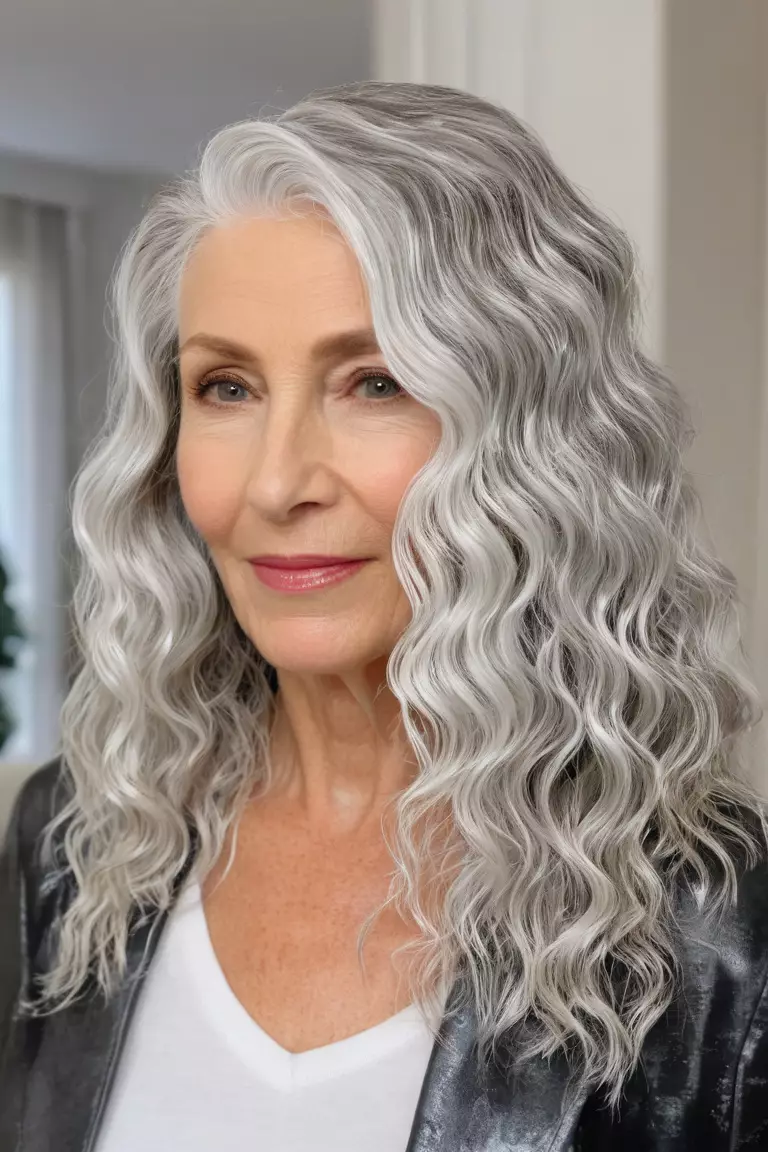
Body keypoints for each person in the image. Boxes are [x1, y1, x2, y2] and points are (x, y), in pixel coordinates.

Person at [1, 79, 767, 1152]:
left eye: (375, 382)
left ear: (535, 443)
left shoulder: (713, 922)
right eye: (226, 388)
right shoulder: (77, 843)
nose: (278, 483)